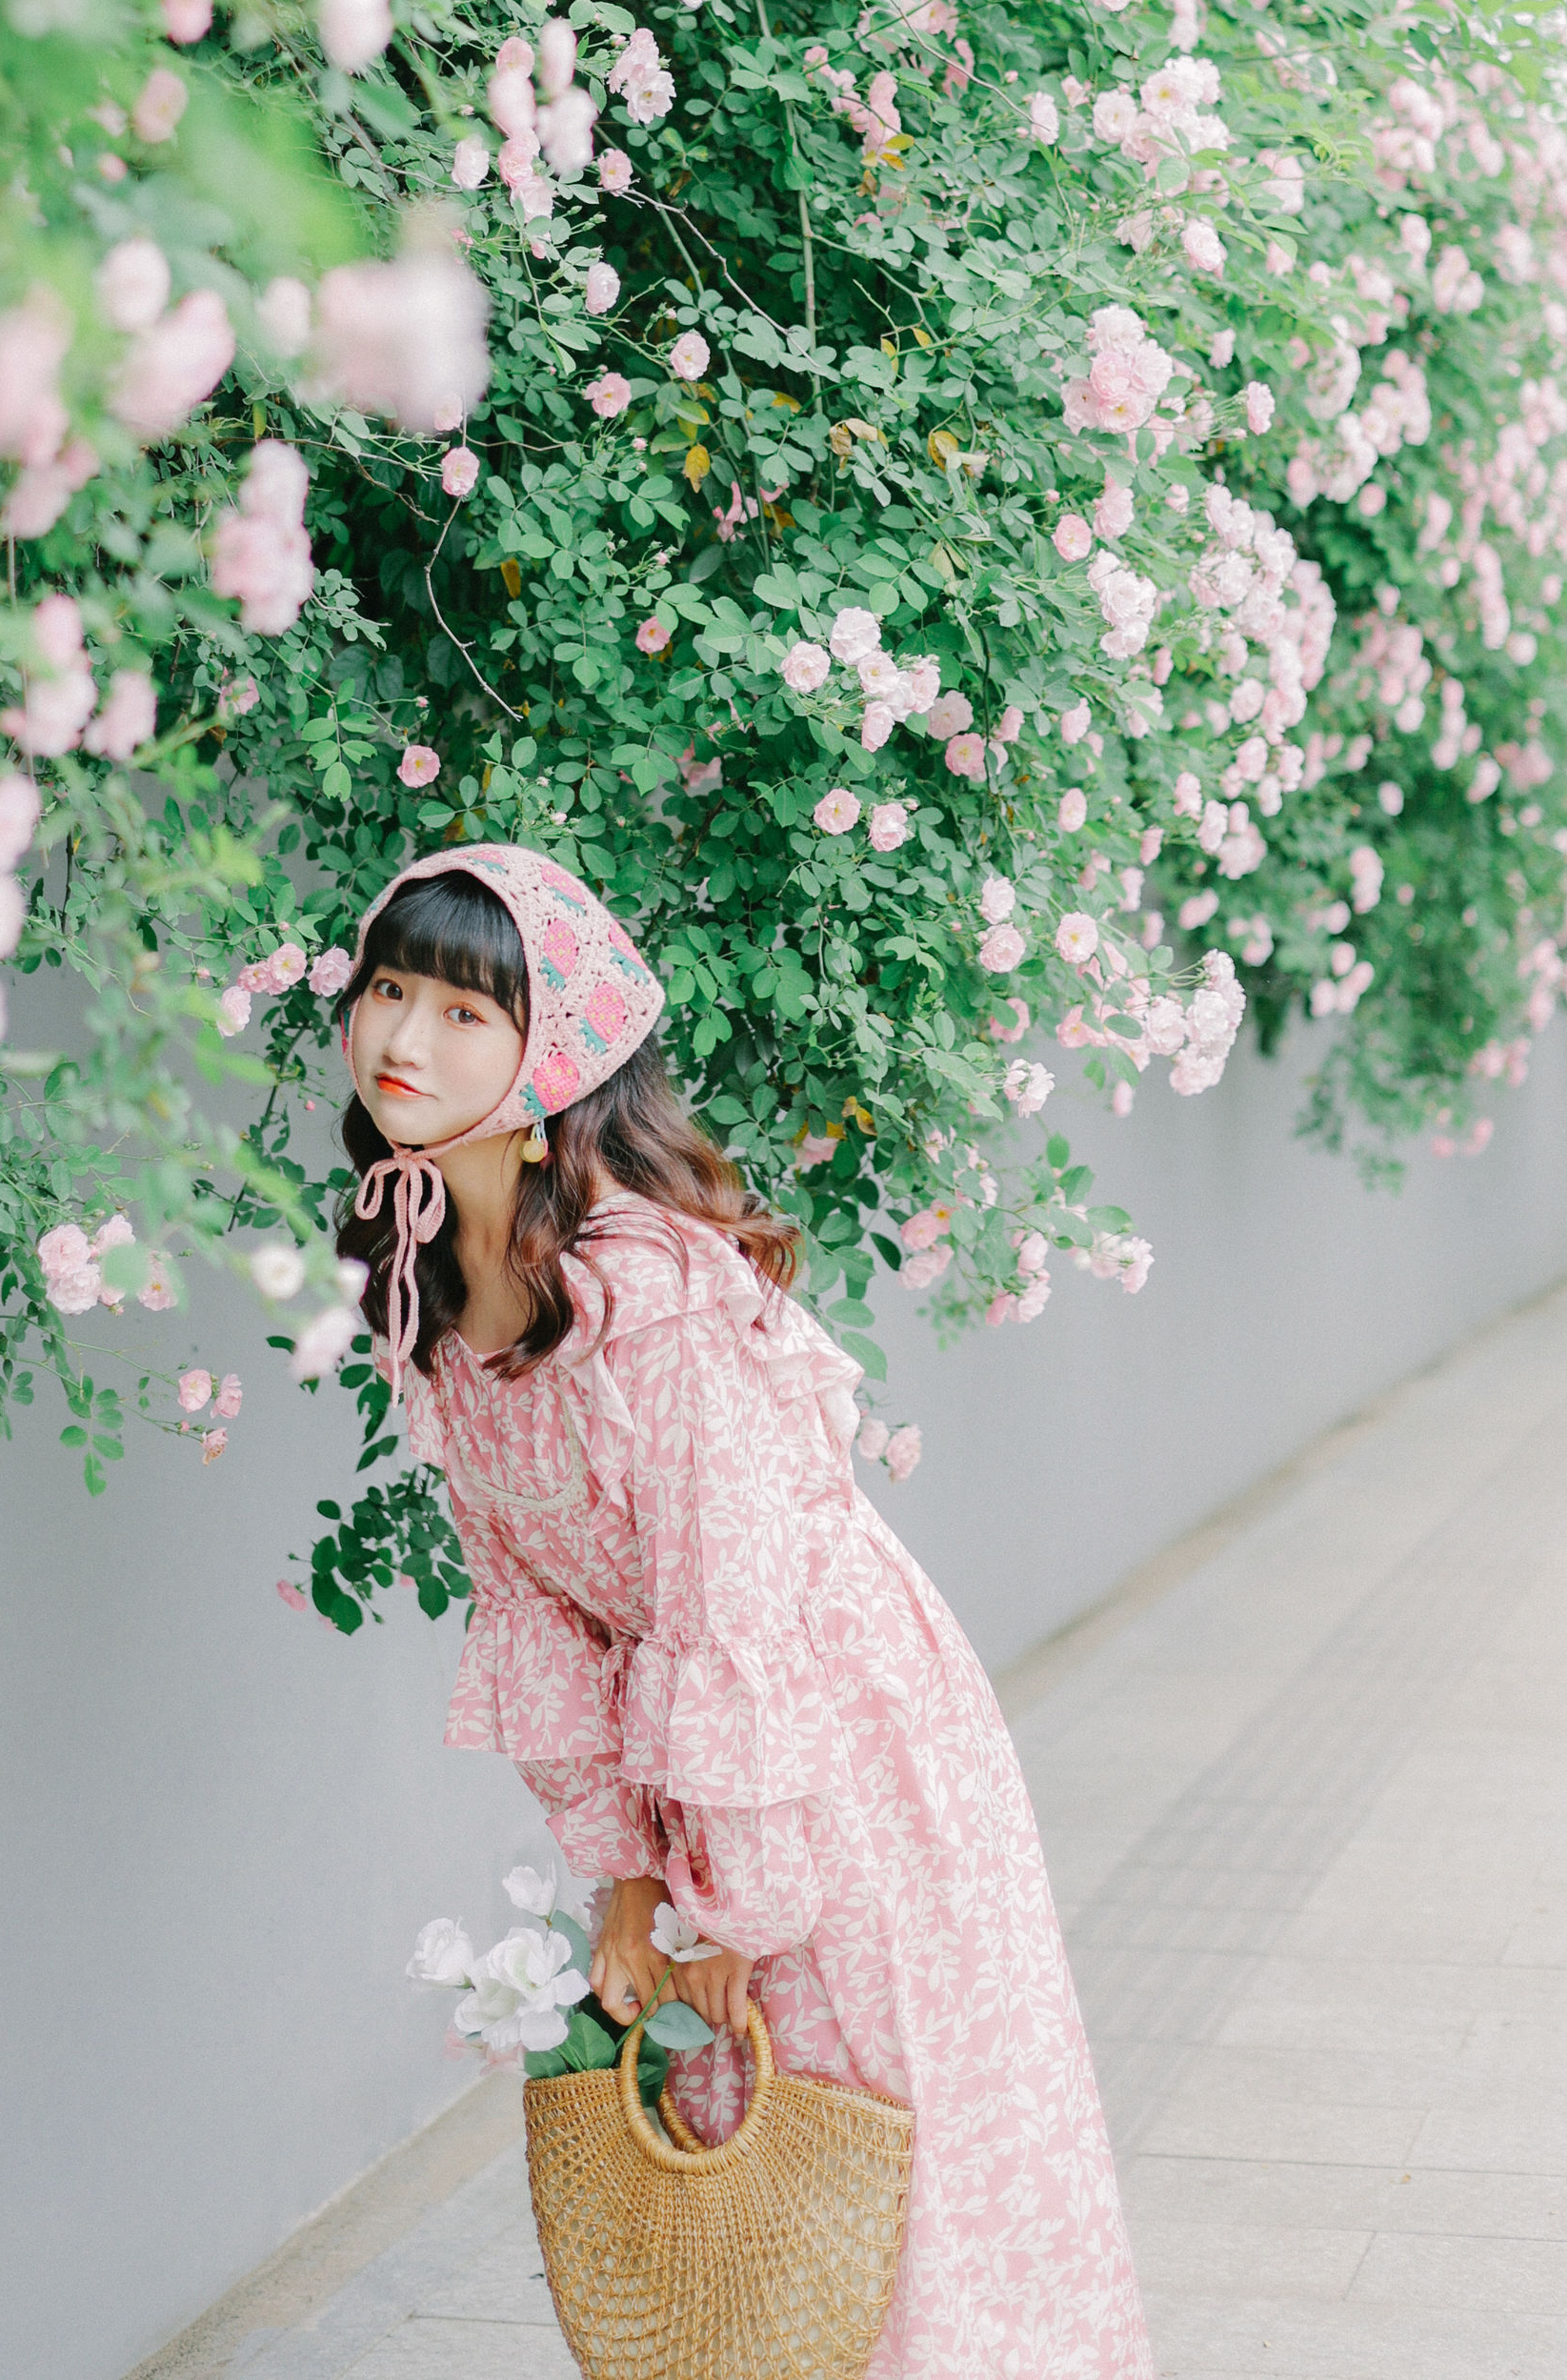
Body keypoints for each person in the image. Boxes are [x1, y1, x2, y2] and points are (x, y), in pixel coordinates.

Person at [335, 837, 1154, 2380]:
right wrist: (630, 1890)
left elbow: (735, 1602)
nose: (401, 1038)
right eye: (389, 987)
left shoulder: (651, 1299)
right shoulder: (435, 1286)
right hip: (703, 1755)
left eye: (460, 1009)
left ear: (551, 1053)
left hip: (833, 1742)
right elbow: (533, 1611)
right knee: (749, 2190)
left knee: (876, 2156)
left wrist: (727, 1900)